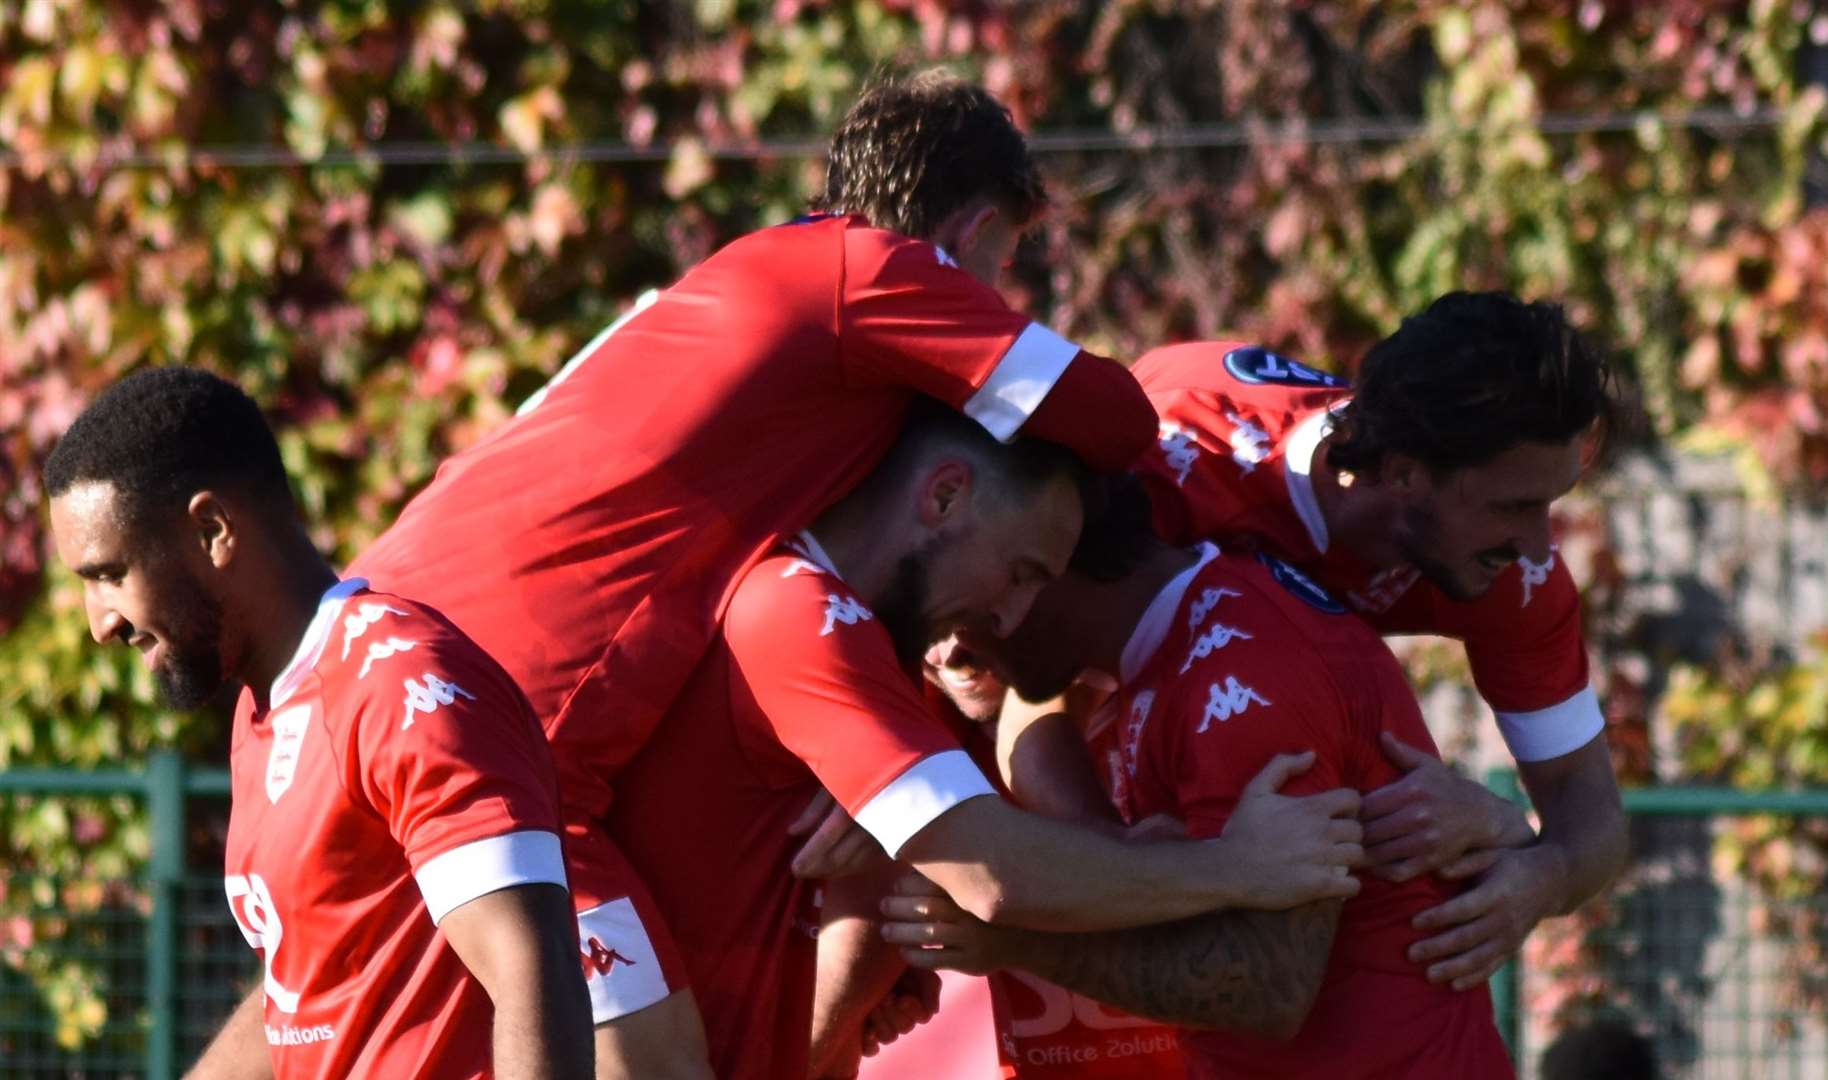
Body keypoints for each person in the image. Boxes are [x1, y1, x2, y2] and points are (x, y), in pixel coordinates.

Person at [344, 70, 1158, 1076]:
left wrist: (875, 764)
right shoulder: (865, 275)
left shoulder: (752, 305)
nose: (990, 309)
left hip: (374, 648)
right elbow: (1120, 419)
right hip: (491, 714)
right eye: (995, 272)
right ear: (969, 233)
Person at [601, 403, 1366, 1080]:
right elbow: (989, 874)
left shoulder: (895, 654)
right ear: (943, 495)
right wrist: (1235, 866)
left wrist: (1489, 831)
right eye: (1020, 572)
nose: (1011, 616)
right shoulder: (801, 615)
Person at [42, 368, 593, 1080]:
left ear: (212, 530)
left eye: (110, 573)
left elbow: (532, 969)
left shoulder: (398, 687)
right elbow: (309, 995)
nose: (100, 623)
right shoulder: (262, 706)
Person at [1099, 292, 1629, 990]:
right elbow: (1020, 688)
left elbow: (1591, 816)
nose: (1539, 545)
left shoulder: (1518, 580)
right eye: (1515, 507)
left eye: (1551, 504)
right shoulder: (1182, 462)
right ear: (1405, 473)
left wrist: (1534, 867)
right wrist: (1124, 867)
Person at [885, 505, 1522, 1077]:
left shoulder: (1242, 675)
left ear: (1039, 566)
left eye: (964, 611)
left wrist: (1015, 942)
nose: (951, 645)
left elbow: (1267, 988)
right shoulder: (1169, 639)